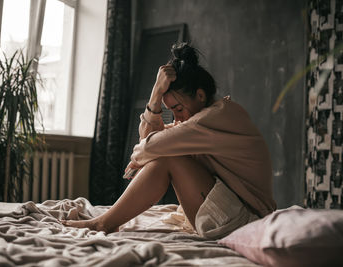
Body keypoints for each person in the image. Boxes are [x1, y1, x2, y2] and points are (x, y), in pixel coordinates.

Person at [62, 43, 276, 239]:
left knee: (167, 159)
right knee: (164, 155)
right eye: (171, 112)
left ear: (200, 95)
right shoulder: (199, 121)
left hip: (248, 221)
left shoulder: (215, 118)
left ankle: (104, 223)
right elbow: (149, 142)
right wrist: (155, 95)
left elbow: (149, 147)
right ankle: (107, 221)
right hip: (234, 213)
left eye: (179, 109)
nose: (177, 118)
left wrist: (144, 155)